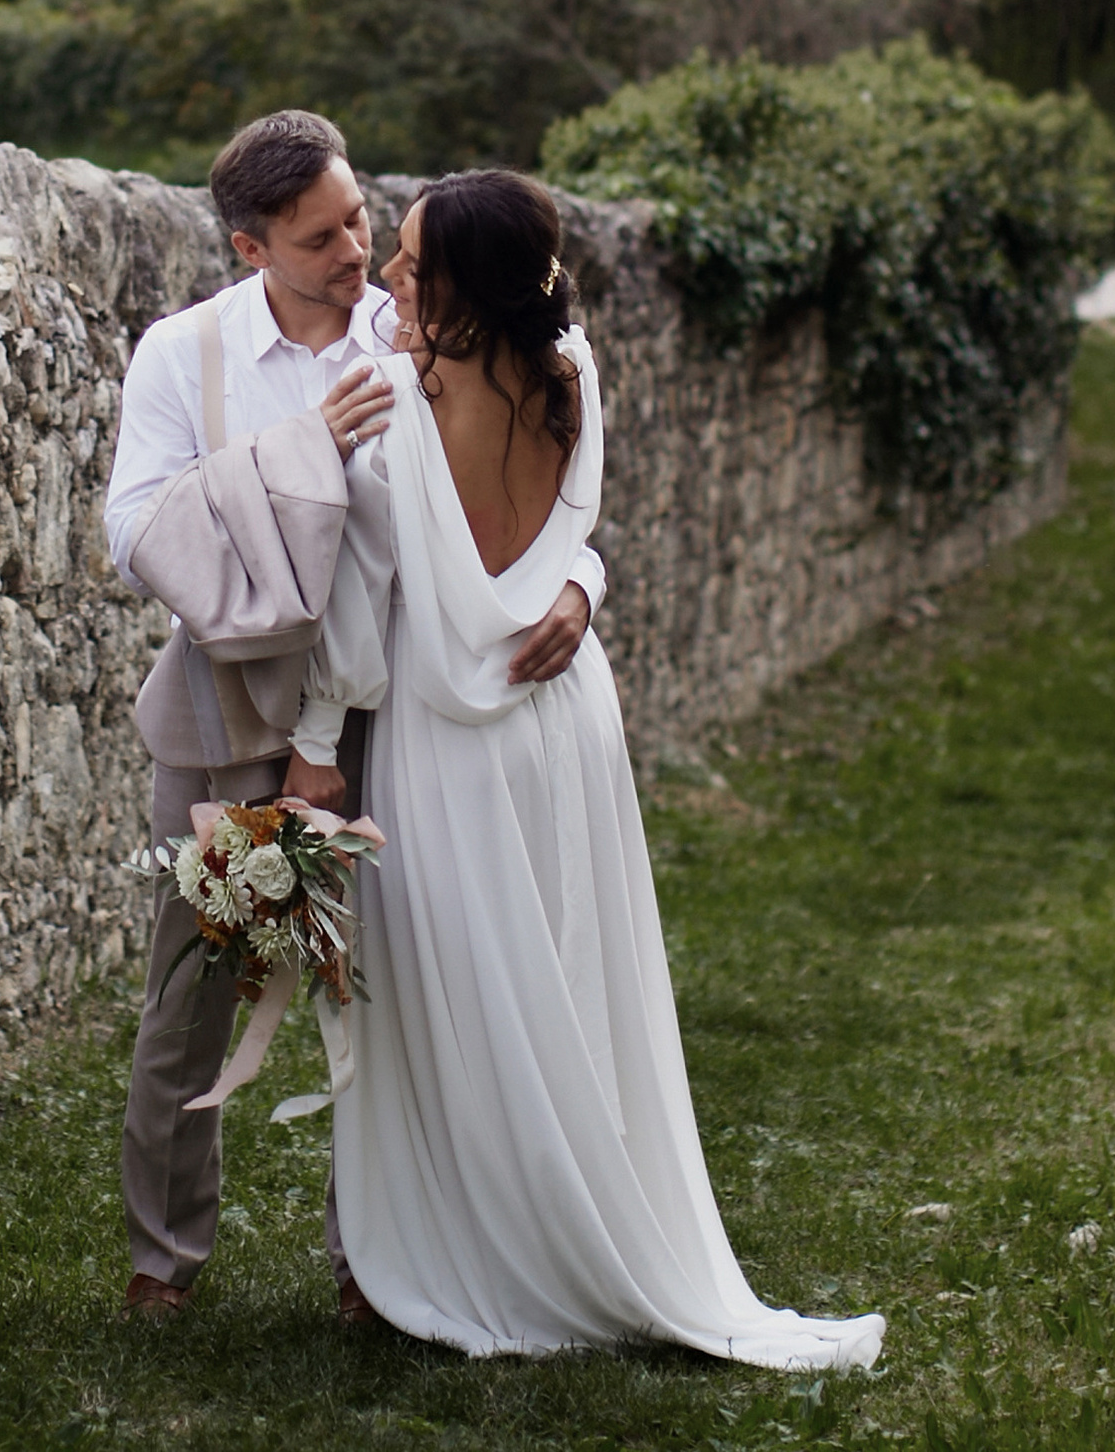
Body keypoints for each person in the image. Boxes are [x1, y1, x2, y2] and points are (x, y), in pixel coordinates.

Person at [330, 169, 885, 1370]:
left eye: (414, 261)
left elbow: (355, 597)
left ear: (469, 288)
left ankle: (499, 1252)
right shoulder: (570, 371)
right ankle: (572, 1221)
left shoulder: (396, 400)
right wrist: (582, 585)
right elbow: (574, 535)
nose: (389, 275)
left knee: (463, 995)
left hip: (450, 734)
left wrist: (313, 744)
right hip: (564, 707)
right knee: (568, 979)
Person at [101, 113, 606, 1322]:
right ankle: (163, 1259)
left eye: (359, 220)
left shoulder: (422, 329)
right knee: (189, 996)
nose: (355, 254)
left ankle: (372, 1263)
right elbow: (133, 533)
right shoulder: (182, 353)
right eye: (319, 237)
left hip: (386, 714)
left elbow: (516, 501)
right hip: (227, 715)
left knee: (389, 998)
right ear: (248, 246)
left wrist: (585, 584)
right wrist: (300, 450)